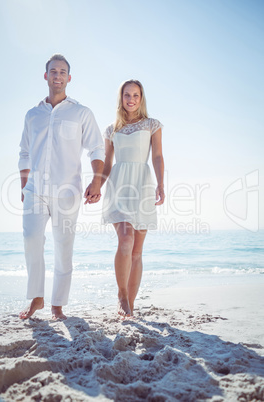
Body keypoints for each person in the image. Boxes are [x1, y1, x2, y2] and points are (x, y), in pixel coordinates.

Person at [18, 54, 104, 320]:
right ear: (46, 77)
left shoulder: (81, 113)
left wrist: (97, 180)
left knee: (63, 246)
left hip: (68, 192)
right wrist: (24, 185)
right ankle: (37, 298)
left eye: (62, 71)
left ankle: (57, 305)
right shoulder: (33, 114)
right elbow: (24, 152)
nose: (57, 75)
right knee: (31, 238)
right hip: (35, 190)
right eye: (53, 71)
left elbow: (96, 147)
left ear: (69, 77)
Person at [101, 79, 165, 317]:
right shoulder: (111, 129)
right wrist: (97, 184)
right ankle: (121, 295)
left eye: (136, 95)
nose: (131, 99)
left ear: (141, 97)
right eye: (127, 95)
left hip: (143, 185)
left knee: (137, 251)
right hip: (119, 186)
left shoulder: (152, 124)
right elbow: (107, 164)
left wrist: (161, 184)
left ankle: (130, 304)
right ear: (121, 98)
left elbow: (157, 156)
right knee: (125, 240)